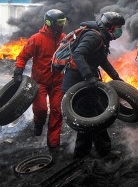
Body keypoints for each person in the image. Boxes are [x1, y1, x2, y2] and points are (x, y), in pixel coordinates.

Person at [61, 11, 125, 158]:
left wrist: (116, 77)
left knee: (98, 115)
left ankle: (103, 149)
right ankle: (81, 155)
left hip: (89, 83)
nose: (119, 30)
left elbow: (102, 59)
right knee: (87, 119)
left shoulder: (102, 37)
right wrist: (89, 76)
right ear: (109, 26)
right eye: (118, 27)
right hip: (77, 83)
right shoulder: (93, 36)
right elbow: (78, 54)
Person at [13, 9, 67, 149]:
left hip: (58, 82)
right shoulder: (36, 39)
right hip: (40, 81)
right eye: (59, 22)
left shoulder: (65, 38)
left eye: (63, 22)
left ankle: (53, 143)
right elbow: (23, 56)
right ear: (49, 23)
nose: (62, 25)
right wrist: (18, 70)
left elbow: (71, 57)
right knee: (41, 108)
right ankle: (38, 123)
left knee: (57, 111)